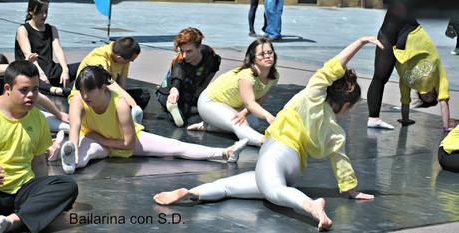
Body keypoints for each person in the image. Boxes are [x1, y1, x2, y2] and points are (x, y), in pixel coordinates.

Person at [154, 36, 379, 231]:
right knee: (230, 187)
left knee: (272, 190)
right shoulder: (335, 132)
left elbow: (331, 68)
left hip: (276, 152)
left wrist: (359, 42)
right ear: (346, 104)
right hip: (292, 168)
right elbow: (340, 161)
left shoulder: (313, 94)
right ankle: (192, 193)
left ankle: (311, 206)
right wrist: (351, 190)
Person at [60, 65, 248, 174]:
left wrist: (101, 139)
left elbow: (128, 143)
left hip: (121, 142)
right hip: (95, 140)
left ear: (102, 88)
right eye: (82, 91)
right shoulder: (78, 99)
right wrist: (74, 144)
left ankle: (224, 153)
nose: (84, 96)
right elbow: (75, 126)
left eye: (89, 91)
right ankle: (63, 155)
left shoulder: (120, 105)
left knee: (176, 146)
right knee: (82, 156)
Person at [0, 60, 78, 233]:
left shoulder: (38, 118)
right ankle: (30, 215)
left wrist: (40, 192)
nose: (31, 95)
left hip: (22, 190)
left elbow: (39, 163)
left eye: (35, 89)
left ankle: (13, 221)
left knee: (67, 185)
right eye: (24, 90)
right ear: (7, 89)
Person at [367, 1, 453, 131]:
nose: (427, 95)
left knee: (380, 77)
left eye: (426, 99)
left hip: (391, 40)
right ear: (435, 92)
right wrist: (446, 126)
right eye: (431, 97)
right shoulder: (439, 79)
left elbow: (405, 101)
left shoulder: (410, 82)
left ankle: (373, 118)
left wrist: (405, 119)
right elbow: (444, 102)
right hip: (410, 31)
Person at [187, 38, 278, 147]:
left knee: (253, 124)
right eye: (262, 54)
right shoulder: (247, 76)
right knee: (240, 124)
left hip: (231, 105)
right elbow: (250, 104)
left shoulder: (274, 76)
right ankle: (264, 142)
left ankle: (209, 126)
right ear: (253, 59)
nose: (267, 56)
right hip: (209, 102)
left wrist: (244, 113)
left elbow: (259, 101)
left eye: (270, 52)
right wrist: (268, 116)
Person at [68, 36, 150, 124]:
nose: (130, 62)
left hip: (106, 93)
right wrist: (133, 105)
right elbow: (110, 84)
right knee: (113, 99)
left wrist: (125, 104)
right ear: (119, 57)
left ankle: (122, 118)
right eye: (131, 60)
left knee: (143, 95)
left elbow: (122, 84)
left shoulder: (123, 56)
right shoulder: (99, 58)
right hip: (88, 97)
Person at [156, 28, 221, 127]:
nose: (185, 55)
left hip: (192, 87)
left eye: (189, 51)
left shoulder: (210, 55)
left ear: (199, 47)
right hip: (168, 91)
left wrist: (201, 90)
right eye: (182, 51)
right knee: (183, 111)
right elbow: (177, 78)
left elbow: (213, 69)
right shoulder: (180, 60)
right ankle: (177, 107)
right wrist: (174, 91)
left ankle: (192, 107)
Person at [15, 0, 79, 97]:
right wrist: (41, 74)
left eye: (46, 11)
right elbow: (29, 56)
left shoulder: (52, 29)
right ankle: (54, 89)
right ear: (31, 11)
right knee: (28, 79)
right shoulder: (23, 30)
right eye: (40, 12)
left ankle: (77, 87)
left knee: (85, 64)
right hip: (34, 72)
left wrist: (65, 70)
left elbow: (58, 50)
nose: (44, 15)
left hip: (51, 71)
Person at [0, 53, 69, 133]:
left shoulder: (15, 85)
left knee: (67, 126)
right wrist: (24, 63)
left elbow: (40, 98)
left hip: (25, 116)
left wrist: (59, 114)